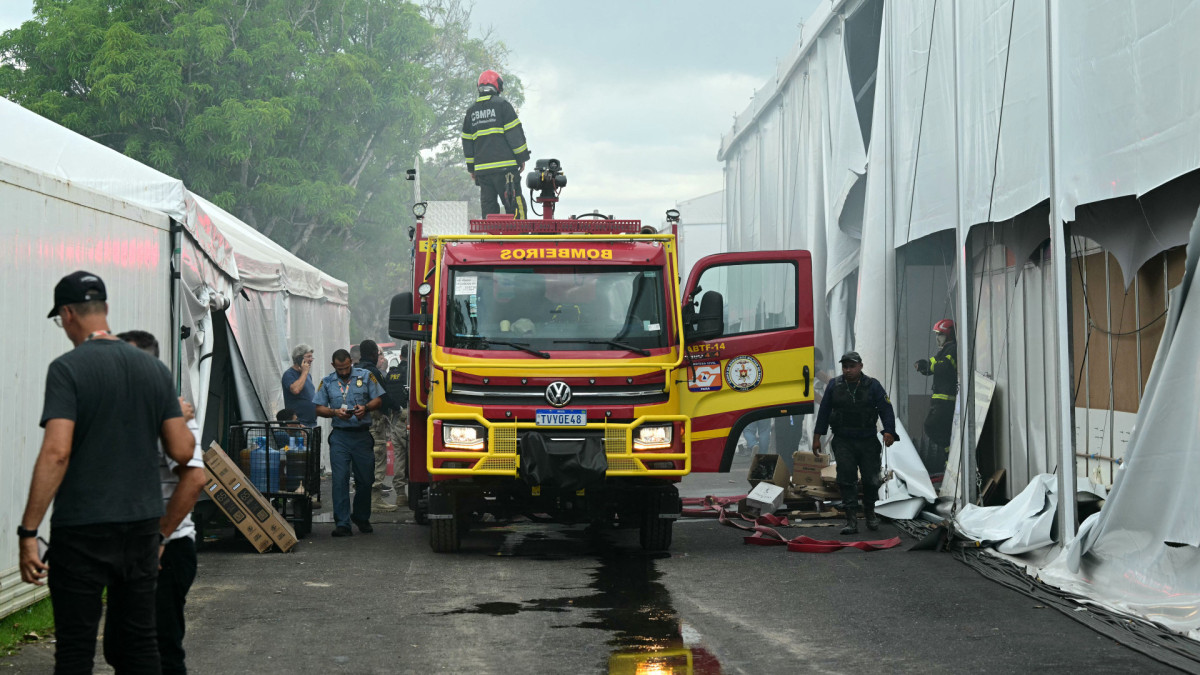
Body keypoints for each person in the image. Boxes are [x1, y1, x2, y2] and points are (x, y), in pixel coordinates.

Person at [20, 270, 194, 672]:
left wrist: (28, 531)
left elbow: (56, 453)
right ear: (106, 309)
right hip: (141, 527)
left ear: (67, 314)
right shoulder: (155, 370)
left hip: (82, 528)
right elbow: (182, 451)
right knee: (140, 645)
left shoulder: (67, 369)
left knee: (75, 650)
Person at [119, 330, 206, 675]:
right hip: (130, 546)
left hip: (166, 549)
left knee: (162, 648)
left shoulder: (174, 415)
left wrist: (159, 538)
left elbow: (194, 479)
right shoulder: (126, 413)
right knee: (123, 647)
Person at [811, 351, 897, 535]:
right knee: (846, 479)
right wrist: (817, 437)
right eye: (845, 367)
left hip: (867, 440)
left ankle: (870, 512)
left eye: (852, 366)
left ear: (860, 366)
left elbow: (886, 409)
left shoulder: (873, 385)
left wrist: (889, 431)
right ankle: (851, 520)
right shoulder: (834, 385)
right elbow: (824, 411)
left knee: (871, 480)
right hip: (843, 440)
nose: (848, 370)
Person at [313, 349, 386, 537]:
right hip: (340, 437)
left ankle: (361, 517)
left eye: (346, 367)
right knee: (340, 480)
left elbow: (378, 400)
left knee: (366, 480)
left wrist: (366, 408)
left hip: (362, 436)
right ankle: (342, 523)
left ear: (351, 362)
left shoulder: (366, 376)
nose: (344, 372)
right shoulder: (327, 382)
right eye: (340, 369)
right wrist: (334, 412)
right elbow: (318, 408)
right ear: (333, 366)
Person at [462, 69, 531, 218]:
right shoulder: (503, 106)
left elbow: (467, 143)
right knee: (515, 207)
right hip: (506, 170)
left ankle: (491, 233)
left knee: (489, 211)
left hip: (483, 172)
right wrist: (522, 158)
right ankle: (520, 233)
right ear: (497, 86)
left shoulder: (471, 112)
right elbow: (515, 134)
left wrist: (472, 169)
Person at [355, 340, 399, 513]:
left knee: (362, 459)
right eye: (379, 354)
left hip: (357, 421)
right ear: (374, 353)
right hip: (374, 419)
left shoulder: (355, 370)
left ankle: (364, 497)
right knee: (378, 455)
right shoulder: (373, 372)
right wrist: (397, 408)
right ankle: (375, 498)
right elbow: (383, 397)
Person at [915, 319, 958, 464]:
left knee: (931, 426)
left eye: (941, 334)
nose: (938, 338)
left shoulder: (953, 349)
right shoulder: (943, 351)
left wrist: (931, 366)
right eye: (937, 334)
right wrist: (922, 365)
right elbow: (931, 365)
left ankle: (950, 453)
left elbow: (944, 366)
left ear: (949, 334)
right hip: (939, 400)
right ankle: (949, 458)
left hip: (946, 400)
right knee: (941, 430)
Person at [282, 344, 317, 428]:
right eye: (308, 357)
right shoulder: (289, 374)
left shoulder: (307, 375)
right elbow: (295, 390)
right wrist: (304, 372)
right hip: (298, 425)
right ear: (299, 358)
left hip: (311, 424)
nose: (311, 360)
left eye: (312, 357)